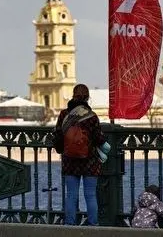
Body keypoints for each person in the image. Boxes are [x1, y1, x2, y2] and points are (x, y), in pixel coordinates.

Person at [53, 84, 105, 226]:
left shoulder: (64, 114)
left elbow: (58, 135)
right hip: (90, 161)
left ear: (73, 96)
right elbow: (99, 139)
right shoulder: (92, 116)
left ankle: (70, 225)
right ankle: (93, 225)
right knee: (90, 195)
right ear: (87, 98)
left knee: (71, 195)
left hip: (70, 160)